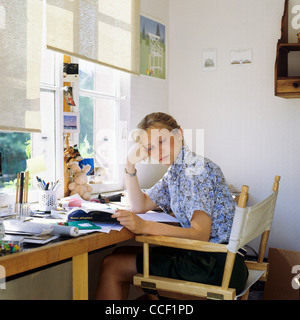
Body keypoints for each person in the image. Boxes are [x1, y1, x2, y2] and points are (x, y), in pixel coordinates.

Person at [95, 112, 248, 300]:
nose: (157, 152)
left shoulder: (194, 170)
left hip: (217, 264)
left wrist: (145, 227)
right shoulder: (177, 171)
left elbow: (200, 234)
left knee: (112, 264)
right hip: (213, 258)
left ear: (179, 134)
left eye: (161, 141)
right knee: (119, 253)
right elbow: (139, 205)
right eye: (150, 147)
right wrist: (130, 165)